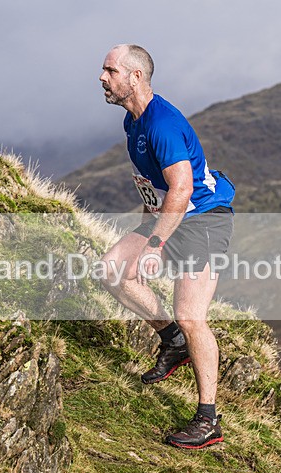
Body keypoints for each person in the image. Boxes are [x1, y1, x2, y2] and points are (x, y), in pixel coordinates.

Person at [98, 44, 235, 449]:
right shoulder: (132, 122)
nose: (102, 78)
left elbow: (182, 188)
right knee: (111, 270)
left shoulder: (161, 124)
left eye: (110, 70)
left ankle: (209, 420)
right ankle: (173, 341)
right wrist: (145, 233)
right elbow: (153, 189)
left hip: (203, 219)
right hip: (171, 215)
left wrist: (154, 246)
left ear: (135, 76)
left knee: (192, 315)